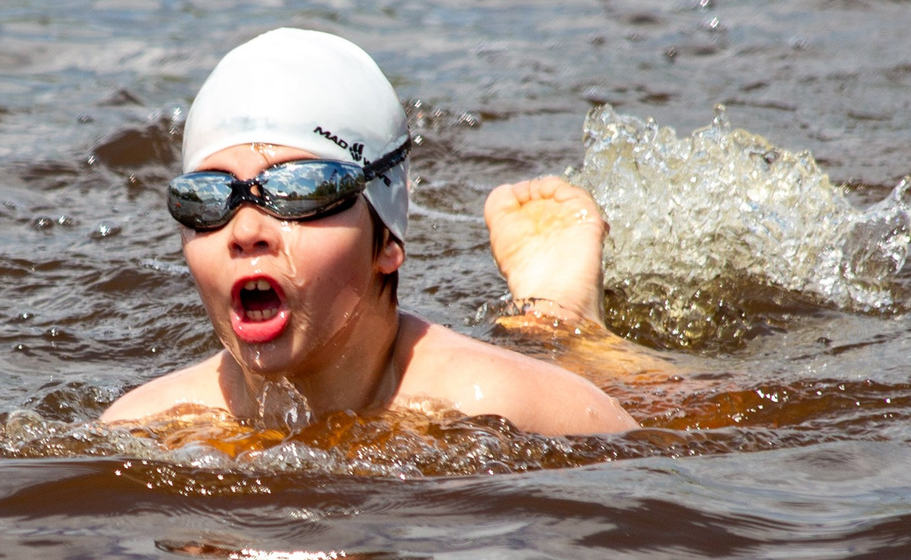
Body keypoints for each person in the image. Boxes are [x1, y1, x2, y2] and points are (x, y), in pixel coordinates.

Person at [102, 27, 640, 437]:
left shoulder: (511, 405)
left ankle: (565, 321)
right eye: (208, 197)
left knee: (610, 372)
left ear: (387, 240)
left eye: (300, 190)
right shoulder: (143, 428)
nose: (245, 230)